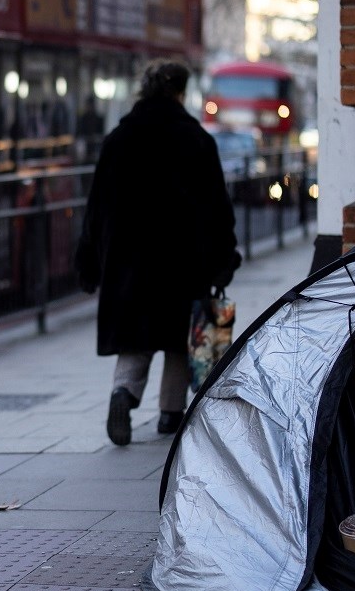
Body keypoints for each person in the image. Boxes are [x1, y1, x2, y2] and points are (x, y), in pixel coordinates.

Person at [75, 59, 241, 446]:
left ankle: (123, 394)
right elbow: (217, 208)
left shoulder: (118, 139)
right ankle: (170, 413)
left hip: (128, 261)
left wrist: (89, 261)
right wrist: (224, 258)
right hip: (183, 259)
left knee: (137, 337)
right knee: (181, 339)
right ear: (181, 92)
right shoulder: (197, 139)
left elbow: (96, 207)